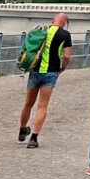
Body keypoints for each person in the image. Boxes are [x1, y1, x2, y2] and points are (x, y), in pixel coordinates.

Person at [17, 13, 72, 148]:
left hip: (35, 71)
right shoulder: (65, 35)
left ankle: (22, 129)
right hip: (51, 72)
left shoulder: (42, 31)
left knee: (28, 103)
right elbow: (66, 56)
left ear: (53, 20)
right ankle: (34, 138)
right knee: (42, 105)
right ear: (65, 22)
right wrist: (63, 68)